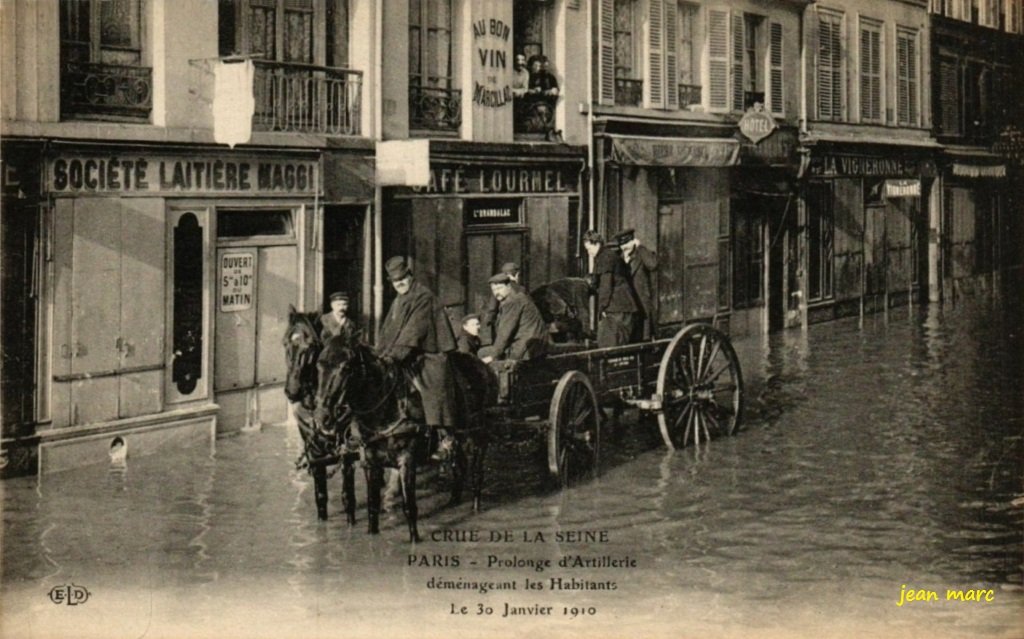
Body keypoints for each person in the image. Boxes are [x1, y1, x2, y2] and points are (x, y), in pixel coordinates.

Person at [376, 256, 457, 460]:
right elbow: (388, 330)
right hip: (405, 353)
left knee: (433, 387)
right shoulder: (398, 301)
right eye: (395, 281)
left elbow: (414, 331)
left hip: (428, 352)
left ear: (410, 276)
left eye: (403, 278)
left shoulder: (422, 296)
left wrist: (393, 356)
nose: (399, 283)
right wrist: (379, 354)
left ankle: (446, 438)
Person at [477, 272, 549, 363]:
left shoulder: (512, 301)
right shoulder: (516, 298)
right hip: (535, 346)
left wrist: (493, 356)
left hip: (527, 348)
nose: (497, 292)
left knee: (483, 354)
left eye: (499, 288)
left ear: (508, 286)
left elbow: (505, 332)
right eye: (494, 290)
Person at [584, 229, 636, 348]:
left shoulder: (605, 258)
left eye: (589, 249)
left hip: (617, 307)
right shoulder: (607, 255)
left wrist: (602, 307)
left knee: (611, 343)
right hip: (621, 306)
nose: (589, 253)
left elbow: (605, 287)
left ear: (597, 244)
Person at [616, 229, 659, 341]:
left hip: (642, 302)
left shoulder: (641, 254)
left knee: (645, 335)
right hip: (628, 304)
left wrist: (640, 247)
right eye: (622, 245)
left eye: (627, 244)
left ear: (633, 242)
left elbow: (653, 264)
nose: (625, 248)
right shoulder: (620, 259)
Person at [482, 261, 524, 344]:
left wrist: (489, 320)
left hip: (503, 322)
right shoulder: (520, 289)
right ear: (517, 274)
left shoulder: (499, 288)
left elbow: (492, 308)